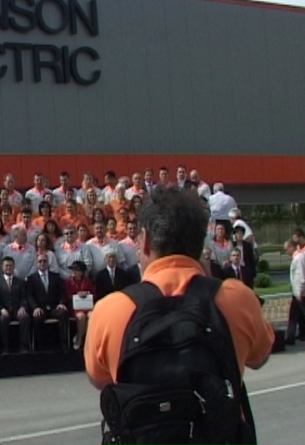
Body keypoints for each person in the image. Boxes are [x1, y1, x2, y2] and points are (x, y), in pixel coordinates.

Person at [85, 187, 274, 443]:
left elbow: (98, 377)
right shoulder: (236, 299)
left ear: (146, 240)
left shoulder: (111, 309)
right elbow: (260, 356)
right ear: (199, 242)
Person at [27, 253, 69, 352]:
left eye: (44, 261)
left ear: (48, 263)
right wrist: (35, 307)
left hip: (54, 307)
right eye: (40, 261)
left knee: (63, 313)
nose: (42, 263)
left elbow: (62, 293)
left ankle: (64, 343)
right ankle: (40, 346)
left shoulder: (56, 277)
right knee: (37, 317)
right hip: (40, 308)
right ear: (36, 263)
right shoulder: (31, 279)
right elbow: (29, 296)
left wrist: (61, 303)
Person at [0, 256, 30, 355]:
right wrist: (1, 309)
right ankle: (5, 346)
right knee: (3, 319)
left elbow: (24, 298)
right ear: (2, 267)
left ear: (14, 267)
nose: (8, 268)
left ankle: (23, 345)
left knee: (25, 317)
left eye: (10, 266)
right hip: (4, 310)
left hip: (17, 309)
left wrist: (22, 307)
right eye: (6, 266)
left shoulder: (20, 282)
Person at [64, 261, 95, 350]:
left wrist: (87, 293)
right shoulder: (68, 282)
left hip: (87, 306)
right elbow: (67, 296)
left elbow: (94, 294)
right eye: (72, 269)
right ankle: (79, 340)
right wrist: (77, 295)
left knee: (92, 315)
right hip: (75, 307)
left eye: (76, 270)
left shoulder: (88, 282)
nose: (73, 271)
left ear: (81, 272)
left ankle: (80, 335)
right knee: (81, 316)